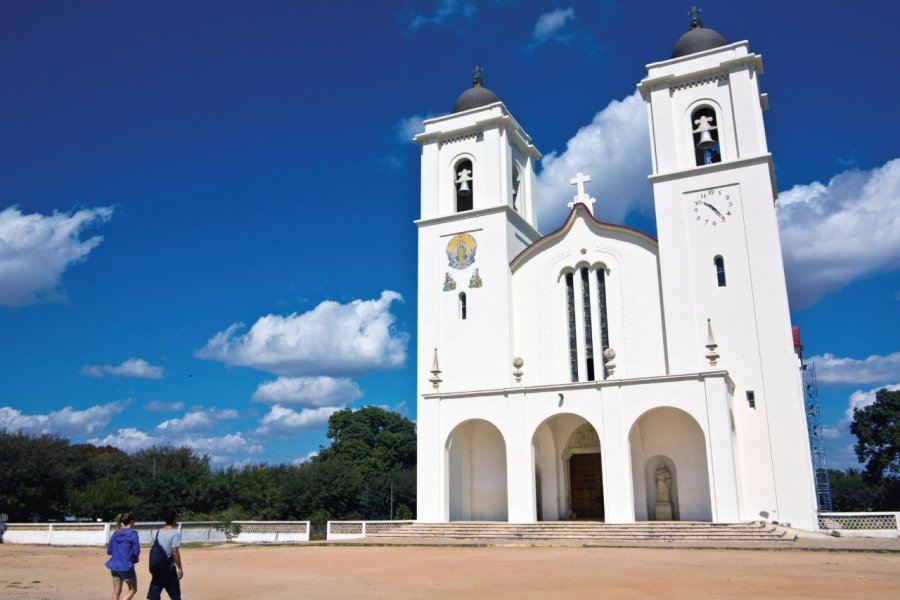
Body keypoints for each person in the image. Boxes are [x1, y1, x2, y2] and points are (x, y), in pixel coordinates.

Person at [148, 509, 183, 600]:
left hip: (157, 568)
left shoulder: (157, 532)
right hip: (169, 569)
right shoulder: (175, 534)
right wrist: (180, 567)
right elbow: (175, 552)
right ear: (175, 519)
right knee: (175, 595)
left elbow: (152, 550)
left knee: (154, 596)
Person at [105, 512, 140, 600]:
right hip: (126, 566)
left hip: (114, 566)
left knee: (116, 592)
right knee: (133, 589)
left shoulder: (115, 533)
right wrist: (134, 558)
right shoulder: (133, 533)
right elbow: (136, 552)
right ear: (131, 521)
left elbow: (109, 551)